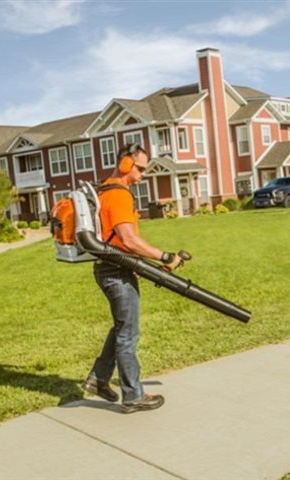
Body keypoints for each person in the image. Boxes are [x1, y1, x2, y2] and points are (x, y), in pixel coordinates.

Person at [82, 143, 183, 414]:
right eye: (139, 168)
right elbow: (128, 239)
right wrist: (164, 256)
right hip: (116, 272)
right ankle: (133, 395)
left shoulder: (107, 189)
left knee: (121, 328)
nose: (143, 174)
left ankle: (98, 379)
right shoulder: (119, 194)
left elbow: (122, 242)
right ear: (125, 163)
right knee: (128, 333)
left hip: (111, 267)